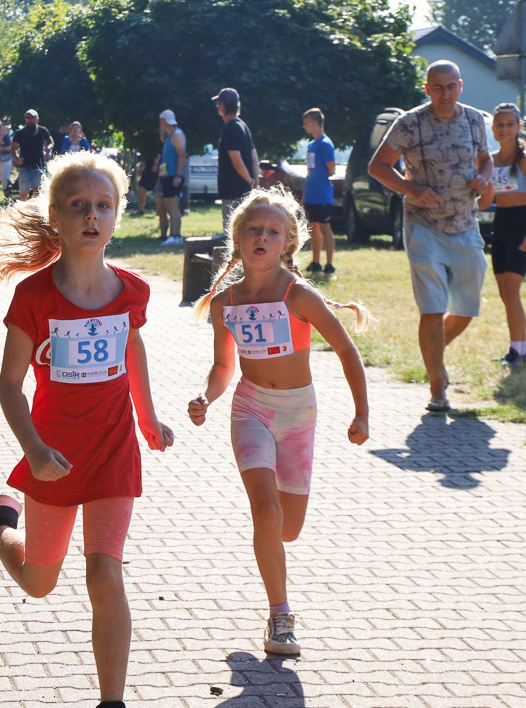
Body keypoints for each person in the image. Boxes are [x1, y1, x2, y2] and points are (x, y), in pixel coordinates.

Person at [0, 151, 174, 708]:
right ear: (55, 216)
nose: (91, 216)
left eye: (103, 205)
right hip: (54, 453)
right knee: (39, 582)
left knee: (105, 575)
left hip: (113, 448)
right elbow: (8, 385)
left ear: (118, 215)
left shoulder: (132, 291)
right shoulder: (34, 297)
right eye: (78, 206)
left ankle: (111, 701)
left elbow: (133, 346)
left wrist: (148, 416)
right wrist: (34, 448)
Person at [188, 185, 369, 656]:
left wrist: (362, 411)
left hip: (298, 414)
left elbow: (347, 350)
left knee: (287, 528)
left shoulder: (298, 295)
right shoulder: (225, 303)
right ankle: (280, 614)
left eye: (272, 231)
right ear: (238, 236)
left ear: (288, 242)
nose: (262, 237)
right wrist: (206, 396)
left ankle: (274, 559)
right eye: (253, 229)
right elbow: (225, 365)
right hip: (250, 408)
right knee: (266, 512)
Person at [368, 60, 492, 412]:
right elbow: (377, 166)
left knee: (467, 307)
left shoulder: (473, 119)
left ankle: (432, 353)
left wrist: (483, 178)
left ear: (461, 86)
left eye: (451, 86)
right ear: (427, 89)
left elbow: (486, 160)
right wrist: (410, 188)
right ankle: (437, 386)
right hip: (423, 226)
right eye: (438, 87)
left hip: (466, 224)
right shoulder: (409, 123)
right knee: (433, 307)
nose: (445, 94)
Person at [476, 102, 526, 369]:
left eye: (510, 124)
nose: (504, 129)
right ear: (493, 129)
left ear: (519, 127)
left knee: (513, 292)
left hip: (522, 226)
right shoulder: (490, 161)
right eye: (500, 125)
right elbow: (487, 200)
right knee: (505, 293)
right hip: (501, 226)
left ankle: (520, 351)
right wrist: (466, 206)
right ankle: (518, 350)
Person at [212, 88, 259, 243]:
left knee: (233, 235)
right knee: (244, 230)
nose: (217, 107)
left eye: (219, 103)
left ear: (225, 106)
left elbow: (236, 161)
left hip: (232, 190)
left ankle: (235, 267)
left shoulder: (230, 128)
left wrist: (250, 180)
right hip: (244, 189)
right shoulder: (243, 126)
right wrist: (254, 181)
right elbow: (254, 157)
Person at [301, 108, 337, 275]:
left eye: (307, 123)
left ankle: (329, 264)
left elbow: (332, 170)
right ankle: (316, 262)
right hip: (311, 194)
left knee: (325, 228)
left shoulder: (325, 144)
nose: (304, 126)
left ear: (315, 123)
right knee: (313, 227)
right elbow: (309, 171)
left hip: (322, 194)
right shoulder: (311, 145)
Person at [157, 109, 186, 245]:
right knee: (167, 205)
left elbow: (181, 155)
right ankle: (169, 235)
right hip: (167, 176)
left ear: (164, 120)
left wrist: (178, 175)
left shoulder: (177, 134)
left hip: (174, 176)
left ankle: (176, 235)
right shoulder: (169, 136)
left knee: (173, 205)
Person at [12, 109, 53, 201]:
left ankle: (38, 212)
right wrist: (16, 158)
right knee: (23, 193)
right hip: (24, 166)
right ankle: (23, 212)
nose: (29, 119)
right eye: (28, 117)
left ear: (37, 119)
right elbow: (13, 148)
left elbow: (50, 142)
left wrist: (48, 148)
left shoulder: (43, 131)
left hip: (38, 165)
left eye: (32, 117)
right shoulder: (20, 133)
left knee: (37, 191)